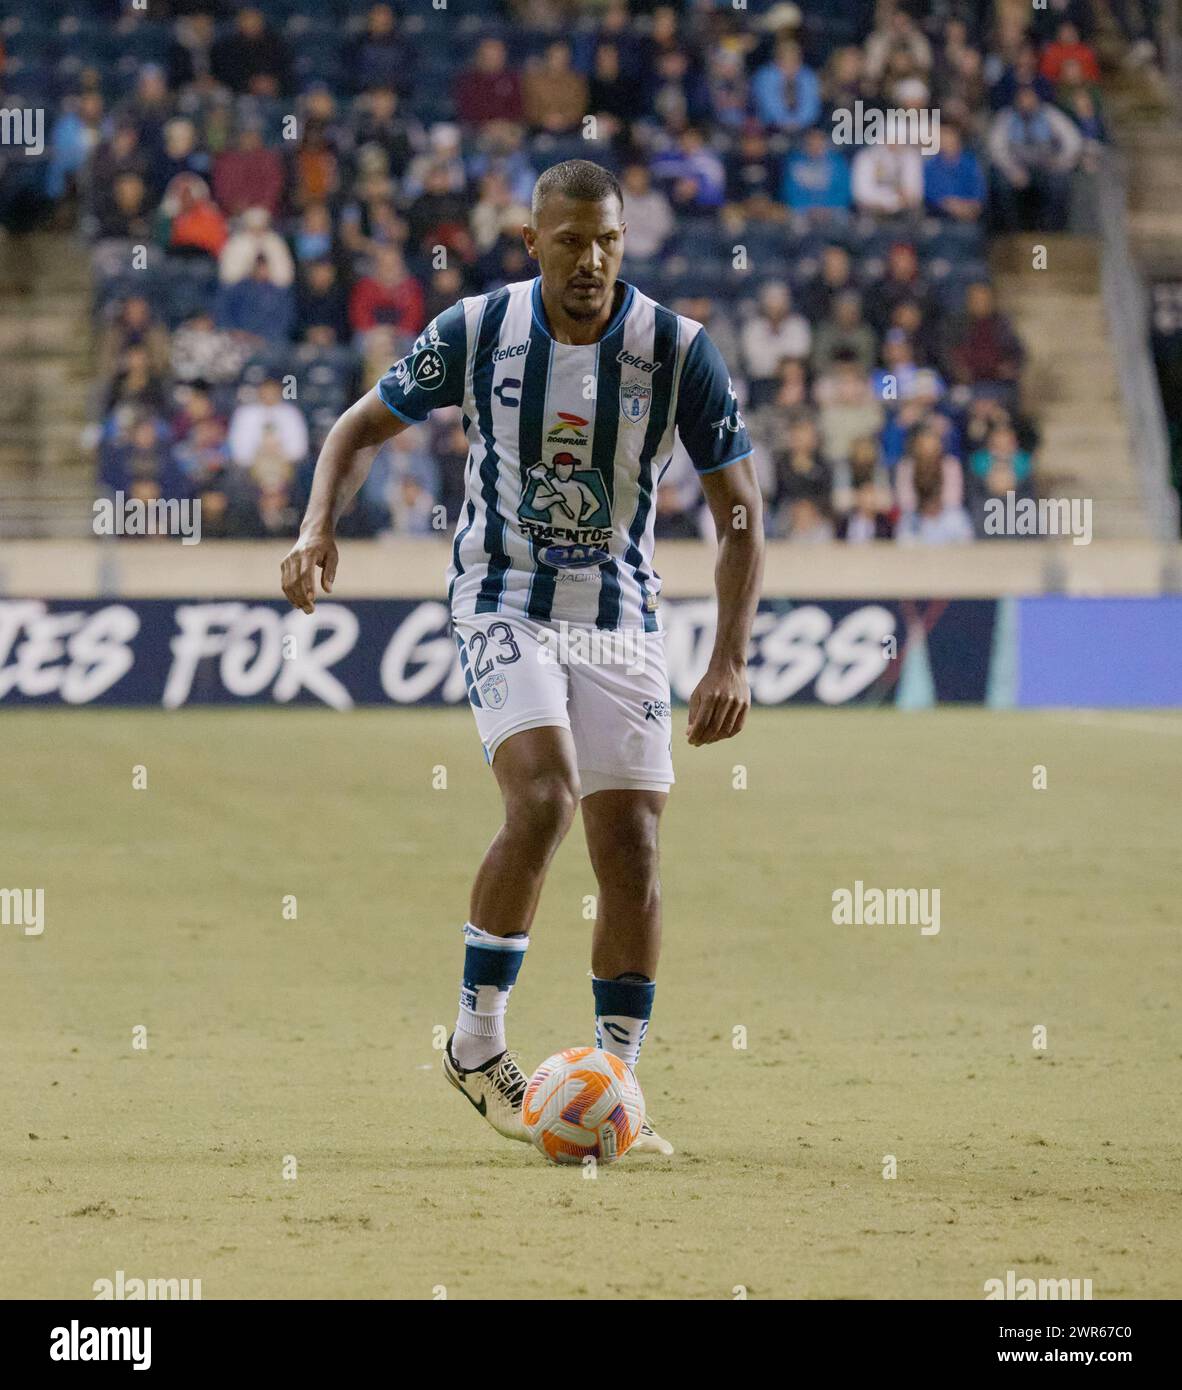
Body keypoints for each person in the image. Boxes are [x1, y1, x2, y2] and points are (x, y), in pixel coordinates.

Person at [280, 160, 763, 1156]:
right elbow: (356, 427)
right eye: (572, 239)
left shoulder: (678, 351)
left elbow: (741, 516)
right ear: (534, 239)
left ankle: (616, 1079)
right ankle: (476, 1042)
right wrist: (316, 523)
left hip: (621, 616)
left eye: (609, 242)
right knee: (543, 798)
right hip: (501, 600)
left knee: (630, 846)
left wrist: (729, 660)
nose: (592, 259)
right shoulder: (475, 331)